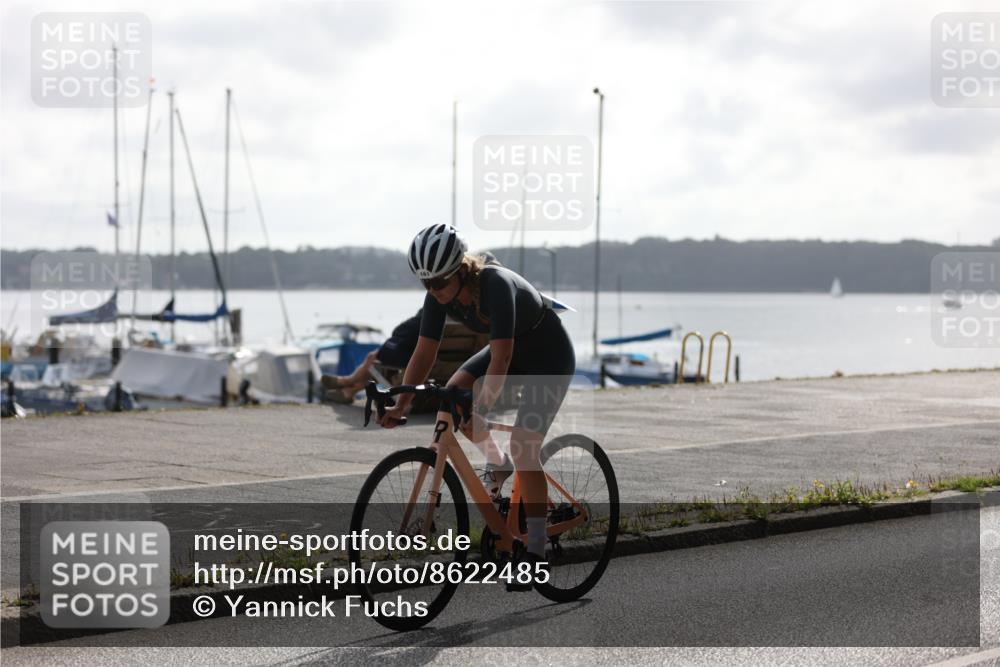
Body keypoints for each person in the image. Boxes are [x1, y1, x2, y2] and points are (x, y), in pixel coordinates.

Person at [377, 224, 575, 589]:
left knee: (524, 445)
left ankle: (535, 551)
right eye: (425, 284)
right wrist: (401, 402)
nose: (432, 291)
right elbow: (424, 351)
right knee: (452, 395)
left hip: (548, 356)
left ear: (459, 271)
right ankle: (498, 465)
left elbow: (500, 360)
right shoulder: (438, 297)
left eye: (438, 282)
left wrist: (482, 406)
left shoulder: (495, 285)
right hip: (510, 350)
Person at [320, 311, 422, 403]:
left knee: (374, 361)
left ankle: (347, 383)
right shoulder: (430, 307)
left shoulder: (433, 309)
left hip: (414, 352)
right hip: (409, 347)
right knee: (375, 361)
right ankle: (348, 389)